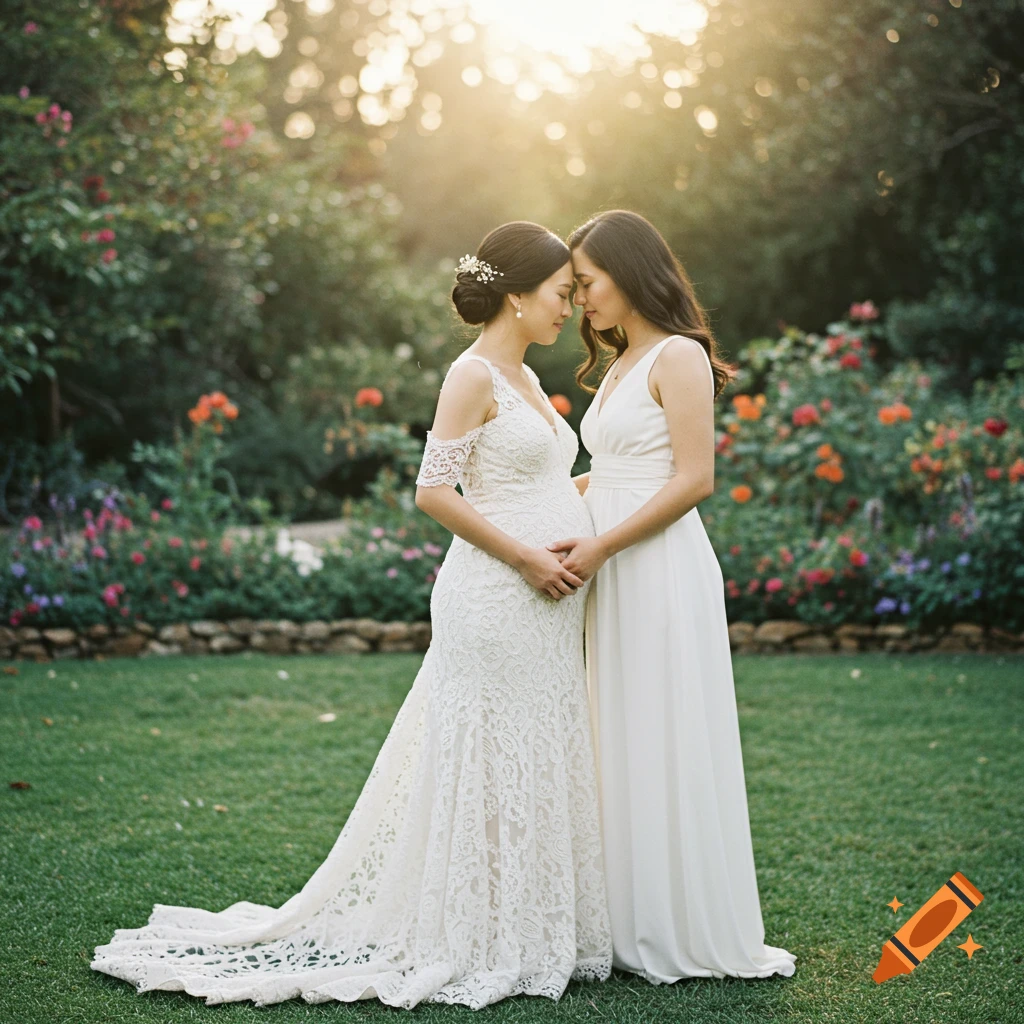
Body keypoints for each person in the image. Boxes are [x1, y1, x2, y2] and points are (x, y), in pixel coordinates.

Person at [91, 221, 612, 1010]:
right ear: (515, 294)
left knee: (533, 753)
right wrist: (528, 557)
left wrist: (617, 495)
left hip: (546, 605)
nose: (568, 307)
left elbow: (538, 484)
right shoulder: (472, 376)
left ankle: (525, 928)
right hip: (498, 597)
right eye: (560, 293)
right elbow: (433, 492)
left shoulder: (531, 382)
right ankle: (471, 934)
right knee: (486, 759)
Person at [546, 209, 797, 984]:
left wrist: (601, 544)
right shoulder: (623, 363)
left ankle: (674, 924)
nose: (580, 297)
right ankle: (622, 916)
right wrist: (532, 509)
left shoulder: (679, 357)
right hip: (613, 560)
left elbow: (693, 479)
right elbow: (613, 474)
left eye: (587, 281)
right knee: (617, 728)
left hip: (655, 566)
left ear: (630, 270)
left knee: (660, 726)